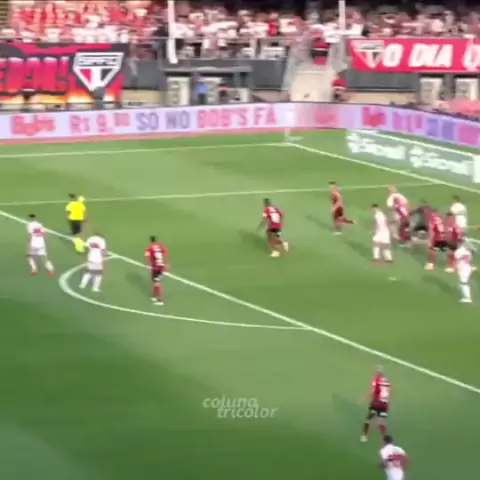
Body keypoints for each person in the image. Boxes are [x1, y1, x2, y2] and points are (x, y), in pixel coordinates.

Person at [359, 367, 391, 442]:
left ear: (377, 373)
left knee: (368, 419)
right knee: (381, 422)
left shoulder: (376, 380)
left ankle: (365, 436)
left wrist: (363, 398)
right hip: (384, 404)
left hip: (376, 403)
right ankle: (384, 438)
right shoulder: (387, 381)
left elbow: (373, 391)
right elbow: (389, 392)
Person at [144, 236, 168, 305]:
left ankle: (160, 300)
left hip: (156, 267)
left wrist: (147, 264)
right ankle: (154, 296)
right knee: (154, 280)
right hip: (161, 266)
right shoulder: (160, 246)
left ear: (150, 241)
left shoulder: (149, 248)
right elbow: (165, 253)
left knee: (156, 283)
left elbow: (147, 256)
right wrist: (166, 263)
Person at [454, 239, 473, 303]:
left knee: (464, 283)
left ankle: (467, 298)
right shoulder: (468, 251)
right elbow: (469, 259)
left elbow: (457, 258)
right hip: (466, 268)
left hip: (463, 269)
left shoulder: (459, 251)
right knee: (462, 283)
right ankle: (466, 296)